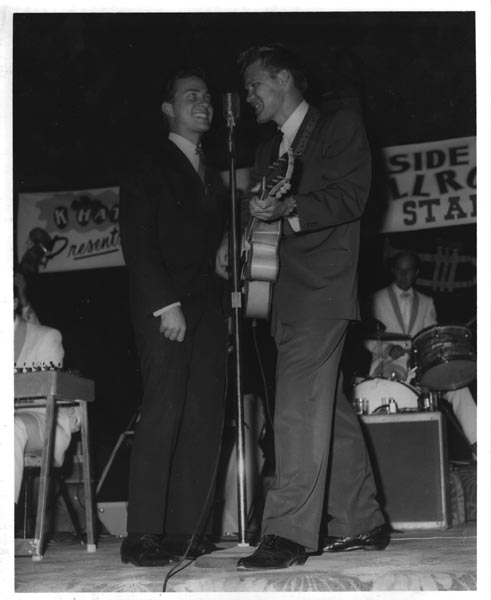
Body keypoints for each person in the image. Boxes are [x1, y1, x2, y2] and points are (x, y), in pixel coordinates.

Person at [217, 44, 389, 571]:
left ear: (285, 78)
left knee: (294, 411)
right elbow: (266, 213)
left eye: (254, 86)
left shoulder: (337, 127)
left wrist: (291, 206)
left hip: (322, 289)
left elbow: (351, 197)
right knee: (325, 410)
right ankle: (362, 521)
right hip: (283, 294)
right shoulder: (271, 149)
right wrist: (239, 237)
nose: (248, 98)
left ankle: (288, 533)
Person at [118, 68, 228, 567]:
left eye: (206, 97)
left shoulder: (212, 169)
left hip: (209, 307)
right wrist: (166, 304)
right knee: (164, 411)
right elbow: (138, 240)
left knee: (204, 414)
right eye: (190, 97)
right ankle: (141, 533)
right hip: (168, 307)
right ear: (168, 109)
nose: (203, 103)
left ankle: (187, 531)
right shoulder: (148, 163)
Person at [365, 251, 477, 452]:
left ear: (416, 273)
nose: (403, 275)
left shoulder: (427, 302)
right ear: (393, 270)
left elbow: (429, 339)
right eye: (399, 270)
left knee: (458, 388)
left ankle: (480, 444)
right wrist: (388, 348)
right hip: (387, 368)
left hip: (419, 369)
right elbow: (366, 336)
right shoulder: (377, 298)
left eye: (408, 271)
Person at [14, 285, 79, 503]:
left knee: (9, 429)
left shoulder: (47, 337)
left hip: (41, 419)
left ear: (14, 303)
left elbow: (43, 390)